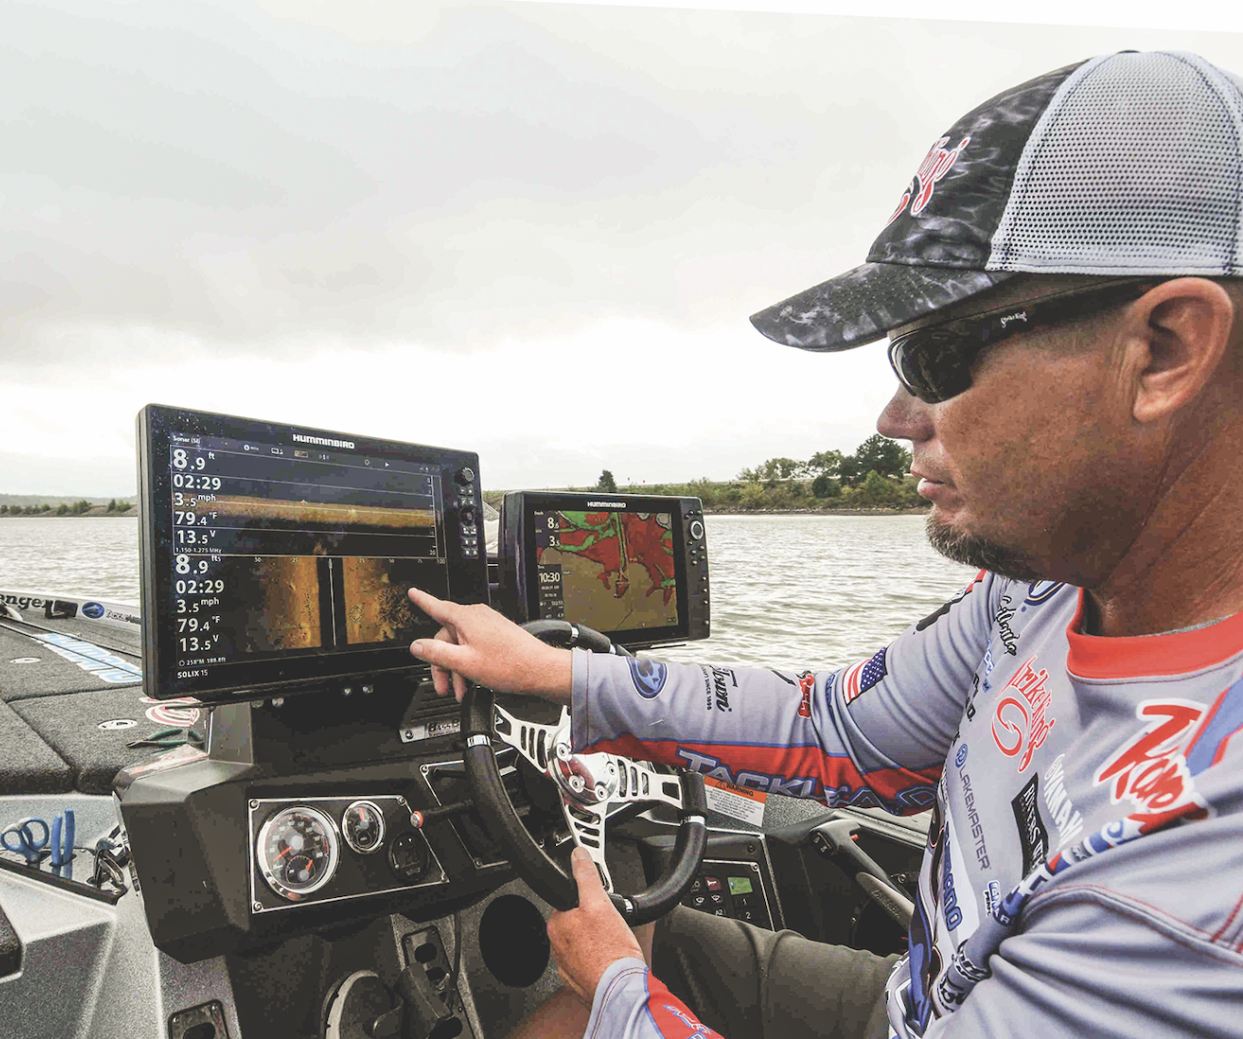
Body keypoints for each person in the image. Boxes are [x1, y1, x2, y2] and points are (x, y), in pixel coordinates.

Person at [409, 50, 1243, 1039]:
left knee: (606, 979)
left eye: (937, 355)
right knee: (634, 949)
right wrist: (559, 675)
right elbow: (836, 731)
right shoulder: (1047, 587)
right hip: (925, 1001)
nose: (895, 418)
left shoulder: (1198, 877)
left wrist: (622, 989)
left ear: (1165, 349)